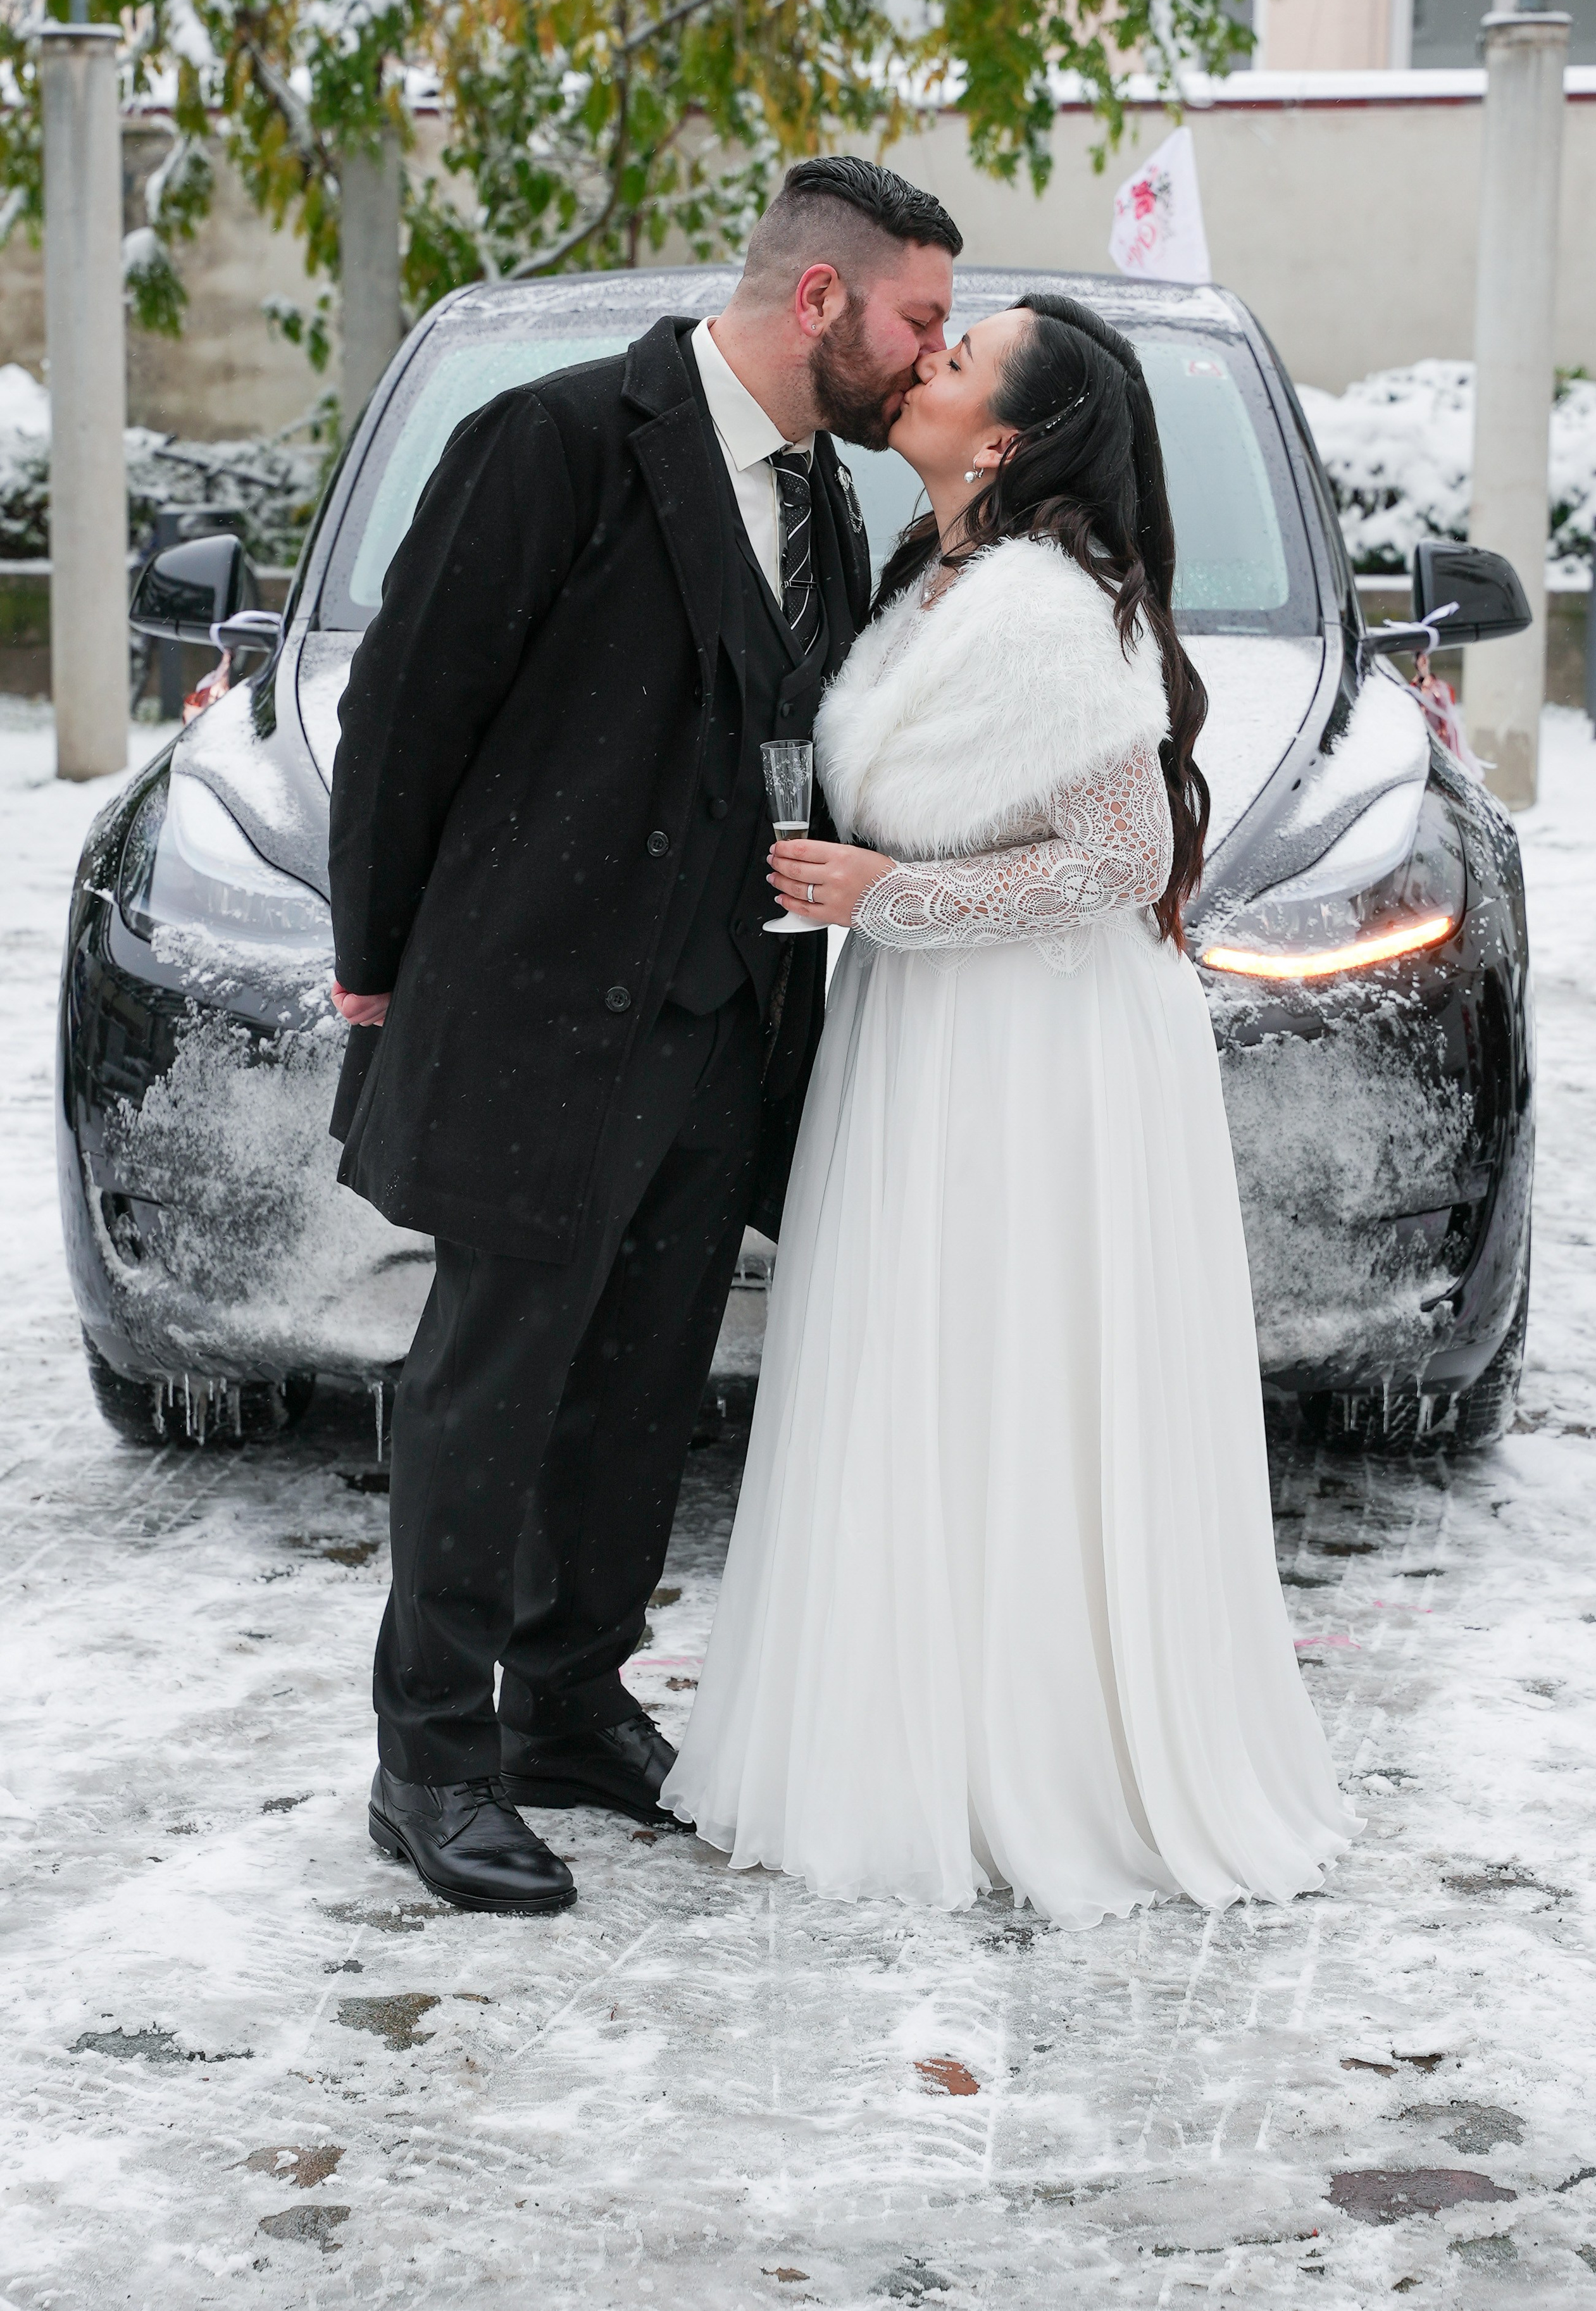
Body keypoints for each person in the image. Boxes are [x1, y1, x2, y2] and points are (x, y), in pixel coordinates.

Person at [661, 294, 1362, 1925]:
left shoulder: (1058, 604)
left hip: (1036, 1055)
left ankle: (1031, 1759)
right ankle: (914, 1731)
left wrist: (884, 894)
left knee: (1016, 1380)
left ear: (1007, 440)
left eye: (961, 360)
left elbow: (1118, 864)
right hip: (934, 1033)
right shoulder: (936, 573)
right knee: (927, 1373)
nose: (928, 361)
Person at [326, 158, 961, 1914]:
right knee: (488, 1390)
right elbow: (404, 711)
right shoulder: (556, 443)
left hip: (721, 1025)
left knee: (644, 1388)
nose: (935, 354)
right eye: (920, 318)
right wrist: (377, 962)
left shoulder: (828, 496)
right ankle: (433, 1762)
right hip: (538, 1013)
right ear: (821, 299)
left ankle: (571, 1706)